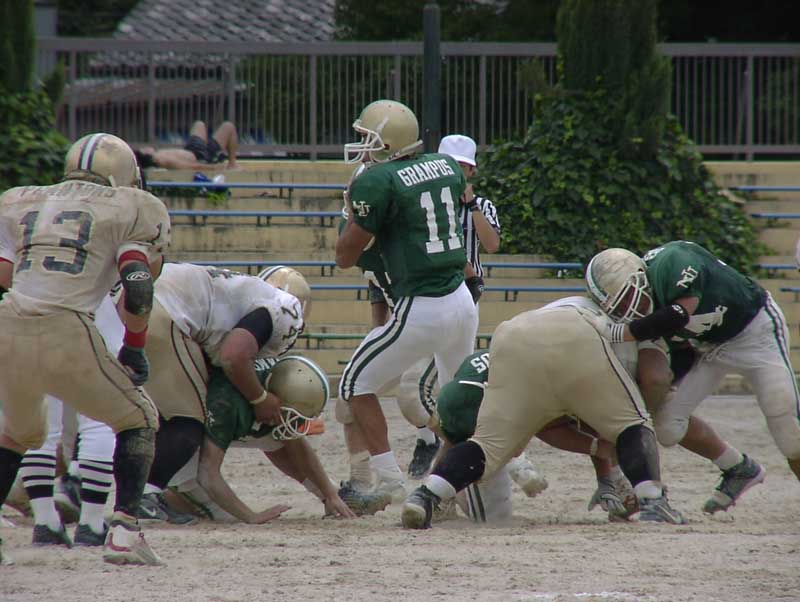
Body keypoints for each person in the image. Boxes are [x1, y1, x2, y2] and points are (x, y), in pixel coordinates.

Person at [0, 132, 171, 565]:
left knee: (18, 433)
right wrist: (134, 347)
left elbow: (4, 271)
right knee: (139, 417)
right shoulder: (130, 206)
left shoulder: (20, 199)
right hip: (65, 325)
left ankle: (43, 520)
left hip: (9, 323)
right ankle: (124, 533)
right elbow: (138, 289)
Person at [401, 299, 687, 529]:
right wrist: (607, 472)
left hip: (509, 338)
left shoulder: (568, 307)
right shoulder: (604, 324)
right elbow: (579, 424)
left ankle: (426, 494)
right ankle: (653, 501)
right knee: (631, 423)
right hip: (573, 335)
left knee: (485, 447)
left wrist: (602, 462)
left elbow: (549, 424)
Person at [580, 241, 800, 512]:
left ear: (638, 277)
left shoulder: (673, 261)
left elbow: (679, 313)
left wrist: (620, 332)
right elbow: (680, 352)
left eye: (627, 297)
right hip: (711, 347)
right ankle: (739, 468)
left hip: (755, 330)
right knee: (668, 426)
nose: (627, 308)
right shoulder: (647, 311)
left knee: (787, 427)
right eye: (618, 305)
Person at [335, 99, 479, 512]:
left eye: (368, 138)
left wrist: (354, 216)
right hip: (461, 299)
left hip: (423, 305)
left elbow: (344, 256)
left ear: (388, 142)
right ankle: (461, 487)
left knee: (354, 385)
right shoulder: (445, 166)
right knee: (457, 401)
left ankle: (391, 480)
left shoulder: (377, 182)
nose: (362, 146)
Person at [126, 263, 310, 523]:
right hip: (163, 308)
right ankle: (146, 496)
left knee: (131, 413)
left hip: (131, 295)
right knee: (188, 419)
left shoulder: (239, 294)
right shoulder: (285, 308)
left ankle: (79, 480)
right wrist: (259, 398)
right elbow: (233, 356)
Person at [429, 347, 637, 524]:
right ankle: (443, 495)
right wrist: (601, 461)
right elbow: (542, 428)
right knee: (491, 518)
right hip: (479, 405)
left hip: (452, 396)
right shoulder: (559, 378)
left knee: (455, 443)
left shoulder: (530, 358)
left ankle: (431, 497)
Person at [398, 133, 502, 479]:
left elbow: (492, 244)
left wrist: (471, 206)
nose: (456, 172)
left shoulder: (482, 205)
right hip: (429, 292)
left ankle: (448, 438)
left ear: (471, 172)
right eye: (450, 164)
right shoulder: (423, 201)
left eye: (462, 167)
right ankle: (428, 437)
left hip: (465, 295)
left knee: (452, 372)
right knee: (418, 374)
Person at [165, 356, 356, 522]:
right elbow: (208, 473)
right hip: (177, 420)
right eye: (290, 414)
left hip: (245, 403)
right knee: (224, 515)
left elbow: (295, 443)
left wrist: (329, 494)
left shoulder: (278, 383)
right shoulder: (228, 403)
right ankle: (163, 495)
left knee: (275, 434)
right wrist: (250, 516)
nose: (293, 422)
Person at [134, 121, 238, 170]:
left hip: (193, 150)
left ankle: (231, 164)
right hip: (201, 158)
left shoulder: (158, 155)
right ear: (146, 154)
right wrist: (213, 168)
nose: (145, 147)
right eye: (143, 149)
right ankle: (232, 165)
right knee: (228, 127)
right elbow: (190, 166)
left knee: (199, 124)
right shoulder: (160, 159)